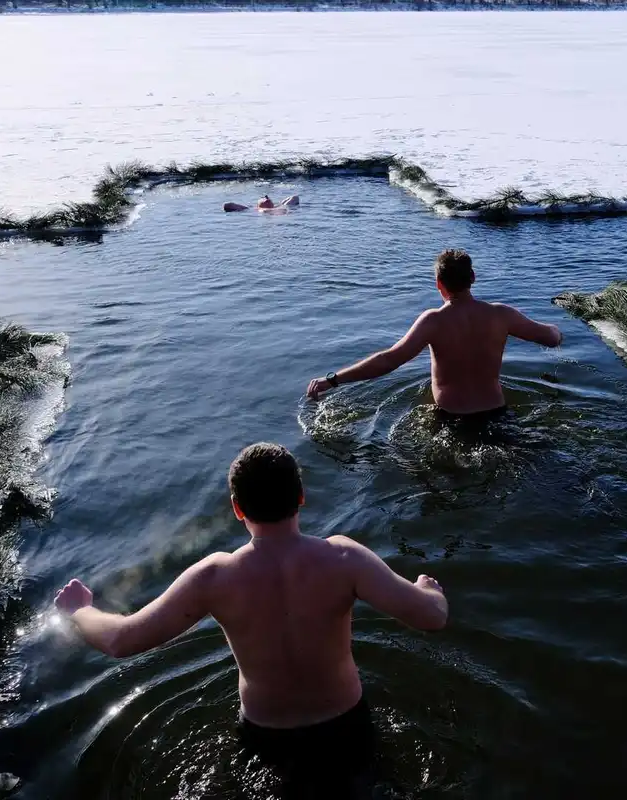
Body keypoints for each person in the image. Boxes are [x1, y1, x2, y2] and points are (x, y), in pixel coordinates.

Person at [54, 442, 447, 797]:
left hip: (266, 740)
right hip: (347, 728)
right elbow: (432, 617)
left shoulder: (215, 577)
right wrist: (428, 589)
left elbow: (120, 640)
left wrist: (79, 610)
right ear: (301, 496)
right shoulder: (344, 558)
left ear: (237, 508)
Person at [306, 248, 563, 425]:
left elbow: (389, 360)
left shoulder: (433, 321)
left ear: (438, 284)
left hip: (450, 418)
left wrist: (333, 379)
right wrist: (556, 330)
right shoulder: (501, 315)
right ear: (473, 277)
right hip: (497, 414)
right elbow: (551, 338)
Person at [224, 194, 300, 213]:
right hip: (272, 209)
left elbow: (295, 197)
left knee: (295, 197)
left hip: (275, 208)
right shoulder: (260, 210)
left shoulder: (248, 208)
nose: (267, 198)